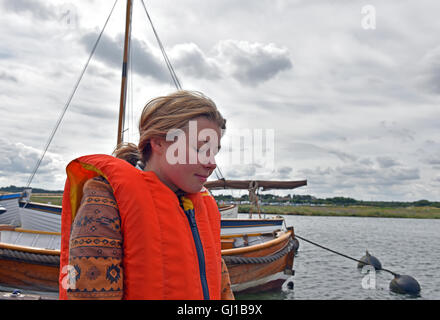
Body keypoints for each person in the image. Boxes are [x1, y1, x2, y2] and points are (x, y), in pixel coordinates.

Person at [58, 90, 234, 300]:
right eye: (199, 149)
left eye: (214, 152)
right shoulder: (105, 198)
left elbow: (221, 286)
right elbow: (90, 293)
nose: (211, 163)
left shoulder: (203, 208)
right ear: (159, 142)